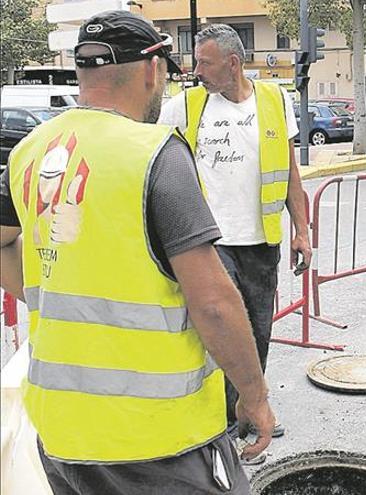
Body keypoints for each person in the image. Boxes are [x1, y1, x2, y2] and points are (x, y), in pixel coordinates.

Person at [0, 11, 274, 493]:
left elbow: (4, 242)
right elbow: (212, 303)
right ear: (151, 70)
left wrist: (51, 294)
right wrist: (254, 395)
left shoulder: (30, 150)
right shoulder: (154, 155)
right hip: (156, 440)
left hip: (62, 432)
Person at [158, 24, 311, 450]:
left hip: (260, 243)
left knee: (257, 332)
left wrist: (302, 230)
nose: (196, 70)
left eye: (204, 62)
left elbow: (290, 172)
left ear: (233, 62)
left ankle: (250, 407)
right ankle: (224, 424)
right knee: (222, 331)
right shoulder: (184, 106)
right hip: (208, 243)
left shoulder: (275, 100)